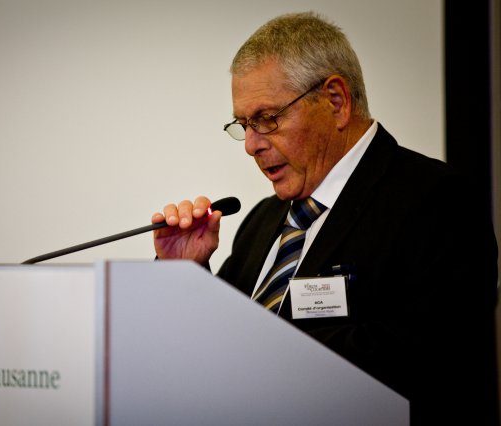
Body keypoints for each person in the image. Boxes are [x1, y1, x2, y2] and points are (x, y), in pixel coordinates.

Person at [151, 11, 499, 425]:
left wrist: (257, 350)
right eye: (243, 124)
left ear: (336, 101)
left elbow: (426, 359)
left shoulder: (437, 201)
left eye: (266, 118)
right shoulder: (263, 220)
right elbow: (209, 353)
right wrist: (185, 278)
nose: (251, 145)